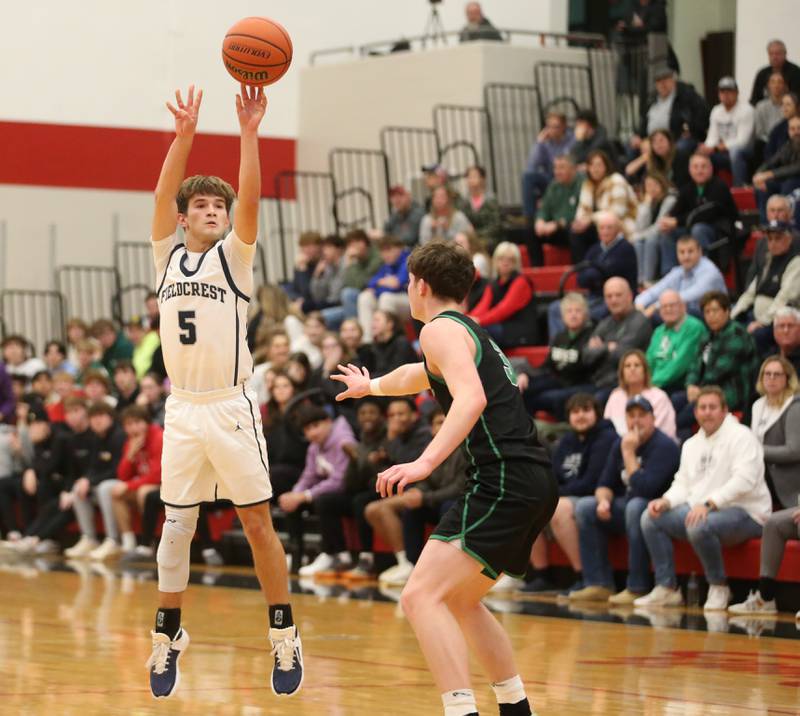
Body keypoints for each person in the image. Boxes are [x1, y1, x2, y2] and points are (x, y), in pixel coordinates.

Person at [332, 241, 557, 716]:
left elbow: (470, 399)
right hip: (529, 479)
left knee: (419, 596)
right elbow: (419, 375)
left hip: (505, 479)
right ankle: (515, 707)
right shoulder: (464, 331)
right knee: (459, 600)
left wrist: (423, 464)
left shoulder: (438, 330)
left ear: (420, 285)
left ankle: (461, 711)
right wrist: (370, 386)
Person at [145, 84, 302, 698]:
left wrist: (249, 131)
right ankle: (167, 637)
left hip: (231, 407)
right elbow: (161, 195)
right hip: (183, 409)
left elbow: (254, 198)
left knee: (258, 522)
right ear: (185, 217)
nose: (214, 211)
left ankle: (284, 633)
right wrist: (183, 136)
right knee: (174, 529)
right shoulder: (165, 259)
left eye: (220, 206)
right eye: (203, 205)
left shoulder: (235, 261)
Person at [636, 387, 771, 611]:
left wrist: (709, 504)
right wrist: (666, 501)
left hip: (748, 512)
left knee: (699, 525)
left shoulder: (742, 437)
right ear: (696, 412)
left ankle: (719, 586)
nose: (707, 413)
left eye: (712, 407)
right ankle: (667, 588)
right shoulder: (691, 444)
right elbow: (683, 484)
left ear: (725, 411)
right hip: (703, 509)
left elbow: (744, 481)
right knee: (651, 518)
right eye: (702, 408)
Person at [572, 395, 680, 603]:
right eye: (631, 416)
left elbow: (644, 489)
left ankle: (637, 586)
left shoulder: (664, 447)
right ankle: (598, 583)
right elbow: (604, 483)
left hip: (656, 509)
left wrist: (629, 453)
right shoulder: (621, 443)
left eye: (642, 415)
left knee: (635, 506)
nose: (636, 421)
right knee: (586, 507)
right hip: (627, 506)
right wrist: (603, 500)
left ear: (653, 419)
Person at [523, 393, 617, 594]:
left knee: (560, 508)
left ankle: (582, 576)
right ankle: (541, 574)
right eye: (575, 412)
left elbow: (591, 481)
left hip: (599, 496)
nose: (580, 416)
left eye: (586, 410)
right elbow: (554, 475)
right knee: (529, 503)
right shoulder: (567, 440)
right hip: (570, 495)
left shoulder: (606, 437)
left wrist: (556, 495)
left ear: (597, 414)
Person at [729, 357, 800, 617]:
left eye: (777, 374)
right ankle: (765, 597)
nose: (771, 378)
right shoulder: (758, 405)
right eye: (767, 373)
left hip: (794, 489)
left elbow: (795, 449)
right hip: (769, 486)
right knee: (772, 524)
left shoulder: (794, 407)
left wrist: (756, 451)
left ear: (787, 379)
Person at [367, 406, 466, 586]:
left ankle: (446, 569)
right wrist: (419, 491)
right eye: (438, 423)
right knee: (413, 511)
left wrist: (425, 497)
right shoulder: (433, 448)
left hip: (461, 501)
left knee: (449, 506)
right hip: (437, 498)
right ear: (432, 428)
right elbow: (427, 479)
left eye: (446, 422)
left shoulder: (466, 448)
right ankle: (411, 564)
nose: (443, 427)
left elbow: (460, 487)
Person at [279, 404, 356, 575]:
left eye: (316, 426)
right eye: (307, 429)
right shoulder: (314, 446)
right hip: (330, 493)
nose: (312, 432)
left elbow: (340, 481)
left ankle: (335, 554)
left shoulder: (343, 441)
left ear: (328, 421)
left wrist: (305, 495)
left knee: (323, 501)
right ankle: (296, 555)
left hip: (352, 492)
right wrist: (295, 493)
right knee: (292, 502)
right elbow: (309, 475)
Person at [672, 291, 758, 441]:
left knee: (682, 419)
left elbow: (720, 371)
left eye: (715, 310)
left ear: (727, 311)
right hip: (705, 390)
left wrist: (699, 390)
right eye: (707, 312)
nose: (711, 315)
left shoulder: (737, 334)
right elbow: (695, 364)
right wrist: (690, 384)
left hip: (730, 394)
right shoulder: (708, 335)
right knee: (674, 400)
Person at [547, 213, 637, 340]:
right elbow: (581, 279)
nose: (605, 231)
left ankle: (580, 346)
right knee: (555, 308)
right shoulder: (594, 249)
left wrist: (594, 273)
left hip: (613, 299)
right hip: (593, 297)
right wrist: (595, 274)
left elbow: (605, 274)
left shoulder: (626, 249)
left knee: (587, 313)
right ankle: (558, 347)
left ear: (618, 229)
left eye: (609, 228)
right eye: (602, 228)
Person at [656, 153, 739, 274]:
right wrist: (668, 220)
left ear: (711, 169)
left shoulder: (719, 186)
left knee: (698, 229)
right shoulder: (688, 188)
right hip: (692, 228)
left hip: (719, 232)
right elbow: (676, 211)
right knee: (668, 233)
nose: (699, 171)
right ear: (690, 169)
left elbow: (706, 214)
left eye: (703, 166)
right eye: (695, 167)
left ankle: (700, 273)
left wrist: (677, 221)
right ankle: (670, 274)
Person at [520, 293, 596, 422]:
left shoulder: (592, 335)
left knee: (551, 398)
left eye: (578, 311)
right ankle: (528, 430)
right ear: (563, 316)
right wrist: (527, 375)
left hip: (580, 383)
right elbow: (547, 365)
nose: (573, 315)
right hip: (558, 380)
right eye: (569, 311)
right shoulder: (559, 337)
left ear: (585, 314)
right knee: (524, 389)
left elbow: (588, 366)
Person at [731, 219, 800, 355]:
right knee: (732, 329)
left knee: (759, 335)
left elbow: (785, 298)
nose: (773, 243)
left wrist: (762, 322)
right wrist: (732, 316)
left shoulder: (796, 262)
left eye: (777, 238)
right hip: (756, 314)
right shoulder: (768, 259)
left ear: (788, 239)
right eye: (769, 239)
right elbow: (750, 292)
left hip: (779, 317)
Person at [67, 401, 126, 559]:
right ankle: (89, 538)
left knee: (104, 488)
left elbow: (117, 471)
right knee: (77, 488)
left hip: (121, 481)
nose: (97, 420)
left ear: (111, 417)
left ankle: (113, 540)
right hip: (104, 481)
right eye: (93, 417)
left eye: (101, 416)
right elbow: (93, 466)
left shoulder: (119, 436)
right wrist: (85, 479)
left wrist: (91, 481)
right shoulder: (96, 438)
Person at [581, 278, 653, 405]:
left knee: (590, 404)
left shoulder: (640, 322)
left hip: (623, 385)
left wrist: (600, 348)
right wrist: (608, 347)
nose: (613, 300)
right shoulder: (605, 323)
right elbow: (586, 356)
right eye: (609, 296)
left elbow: (623, 355)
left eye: (618, 295)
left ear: (630, 296)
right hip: (599, 381)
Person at [108, 405, 163, 557]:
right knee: (116, 493)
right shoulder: (130, 442)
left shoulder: (158, 437)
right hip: (145, 484)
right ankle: (128, 541)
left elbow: (157, 475)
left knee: (143, 492)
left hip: (165, 485)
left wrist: (129, 485)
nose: (134, 428)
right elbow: (122, 477)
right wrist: (129, 455)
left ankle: (150, 541)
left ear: (147, 422)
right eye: (129, 424)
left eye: (137, 422)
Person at [635, 234, 727, 318]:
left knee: (663, 313)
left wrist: (656, 306)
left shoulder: (710, 271)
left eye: (690, 251)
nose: (686, 256)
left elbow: (689, 295)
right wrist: (640, 304)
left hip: (709, 316)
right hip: (688, 316)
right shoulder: (678, 271)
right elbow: (656, 290)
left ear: (700, 251)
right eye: (682, 252)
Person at [468, 242, 539, 348]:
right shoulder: (493, 284)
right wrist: (467, 320)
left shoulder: (521, 282)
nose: (505, 262)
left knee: (480, 333)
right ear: (495, 261)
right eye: (501, 258)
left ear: (516, 262)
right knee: (470, 330)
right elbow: (482, 307)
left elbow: (504, 309)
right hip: (502, 328)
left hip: (520, 331)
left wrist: (478, 321)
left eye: (510, 260)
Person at [571, 151, 637, 261]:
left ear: (606, 166)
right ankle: (582, 268)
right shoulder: (588, 184)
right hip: (599, 225)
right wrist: (580, 222)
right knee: (575, 231)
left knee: (601, 229)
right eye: (591, 165)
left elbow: (616, 213)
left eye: (599, 165)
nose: (595, 169)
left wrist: (590, 219)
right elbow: (582, 212)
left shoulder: (616, 180)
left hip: (623, 224)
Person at [631, 68, 708, 157]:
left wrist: (691, 130)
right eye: (659, 81)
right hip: (652, 140)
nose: (663, 83)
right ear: (656, 84)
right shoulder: (651, 101)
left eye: (666, 79)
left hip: (676, 139)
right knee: (631, 148)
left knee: (681, 148)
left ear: (673, 80)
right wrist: (638, 136)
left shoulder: (685, 96)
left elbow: (703, 114)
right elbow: (643, 122)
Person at [645, 290, 709, 394]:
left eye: (672, 305)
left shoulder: (693, 327)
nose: (668, 309)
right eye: (664, 306)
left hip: (678, 386)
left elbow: (679, 365)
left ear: (683, 307)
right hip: (654, 386)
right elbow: (648, 361)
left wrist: (651, 385)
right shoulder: (659, 331)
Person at [603, 349, 676, 440]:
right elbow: (606, 428)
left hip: (652, 446)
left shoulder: (659, 397)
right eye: (627, 366)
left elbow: (656, 430)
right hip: (618, 446)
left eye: (637, 365)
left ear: (645, 371)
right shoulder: (615, 396)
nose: (632, 369)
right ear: (622, 373)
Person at [698, 77, 754, 187]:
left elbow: (743, 141)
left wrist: (717, 148)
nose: (726, 95)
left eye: (729, 91)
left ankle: (738, 188)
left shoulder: (747, 110)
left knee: (735, 152)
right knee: (699, 153)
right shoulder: (716, 110)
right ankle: (705, 188)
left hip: (745, 151)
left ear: (736, 93)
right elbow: (712, 137)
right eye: (722, 91)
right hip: (723, 151)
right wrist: (706, 148)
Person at [522, 113, 575, 226]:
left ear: (564, 126)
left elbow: (572, 162)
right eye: (549, 127)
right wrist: (539, 142)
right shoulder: (546, 143)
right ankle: (529, 217)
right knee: (528, 176)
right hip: (551, 177)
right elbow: (532, 165)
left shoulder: (572, 140)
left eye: (556, 127)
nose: (552, 130)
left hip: (568, 178)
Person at [357, 235, 411, 342]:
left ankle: (387, 339)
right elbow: (371, 283)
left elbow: (397, 285)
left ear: (399, 248)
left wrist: (381, 285)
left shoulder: (408, 260)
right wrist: (383, 283)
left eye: (389, 250)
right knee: (365, 297)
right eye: (382, 251)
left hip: (411, 303)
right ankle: (367, 341)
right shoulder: (387, 265)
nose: (385, 254)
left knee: (386, 297)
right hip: (394, 299)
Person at [532, 154, 583, 264]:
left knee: (574, 231)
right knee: (530, 230)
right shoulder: (553, 186)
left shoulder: (582, 184)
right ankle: (537, 269)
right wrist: (540, 221)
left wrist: (557, 224)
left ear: (573, 169)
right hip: (555, 230)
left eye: (561, 167)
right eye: (555, 167)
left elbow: (580, 213)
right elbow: (544, 208)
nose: (557, 171)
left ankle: (576, 270)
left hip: (572, 228)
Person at [630, 172, 678, 284]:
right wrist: (646, 204)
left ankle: (648, 279)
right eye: (648, 185)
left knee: (650, 241)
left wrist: (638, 236)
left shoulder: (670, 200)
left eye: (655, 184)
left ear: (662, 184)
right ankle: (640, 280)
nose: (652, 189)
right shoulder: (650, 201)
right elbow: (640, 226)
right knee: (638, 243)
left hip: (666, 234)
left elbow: (659, 226)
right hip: (650, 234)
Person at [753, 115, 800, 220]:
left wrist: (770, 174)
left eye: (798, 128)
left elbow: (796, 168)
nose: (796, 132)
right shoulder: (788, 145)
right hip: (786, 180)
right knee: (762, 188)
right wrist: (758, 174)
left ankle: (785, 224)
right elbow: (771, 162)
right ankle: (766, 225)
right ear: (788, 131)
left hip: (796, 181)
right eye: (792, 129)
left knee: (789, 184)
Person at [368, 310, 418, 378]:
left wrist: (367, 378)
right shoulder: (374, 346)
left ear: (390, 324)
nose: (373, 324)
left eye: (377, 320)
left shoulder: (402, 343)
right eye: (373, 320)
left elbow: (395, 373)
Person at [749, 39, 800, 106]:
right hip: (765, 111)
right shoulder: (762, 74)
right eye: (771, 54)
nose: (774, 57)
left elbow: (797, 98)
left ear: (785, 54)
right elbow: (754, 99)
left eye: (777, 54)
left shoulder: (795, 72)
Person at [463, 165, 502, 251]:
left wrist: (476, 235)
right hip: (470, 238)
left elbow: (496, 225)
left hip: (489, 239)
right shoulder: (464, 201)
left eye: (474, 176)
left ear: (482, 179)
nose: (471, 180)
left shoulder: (491, 199)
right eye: (468, 177)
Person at [308, 234, 346, 313]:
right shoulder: (328, 267)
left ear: (339, 249)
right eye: (324, 248)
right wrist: (317, 275)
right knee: (306, 306)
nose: (324, 251)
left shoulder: (345, 264)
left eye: (328, 247)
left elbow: (336, 294)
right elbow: (317, 296)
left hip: (340, 304)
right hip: (328, 303)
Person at [754, 72, 788, 152]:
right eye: (773, 82)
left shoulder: (789, 105)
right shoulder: (760, 106)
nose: (776, 85)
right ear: (768, 85)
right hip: (767, 142)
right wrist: (771, 140)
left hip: (785, 141)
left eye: (780, 82)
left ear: (785, 86)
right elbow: (759, 132)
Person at [765, 92, 799, 162]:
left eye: (788, 105)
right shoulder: (778, 128)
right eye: (783, 105)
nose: (785, 108)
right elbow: (769, 153)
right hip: (780, 165)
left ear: (798, 107)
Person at [773, 307, 800, 373]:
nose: (786, 330)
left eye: (791, 326)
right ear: (774, 331)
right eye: (781, 326)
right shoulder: (767, 358)